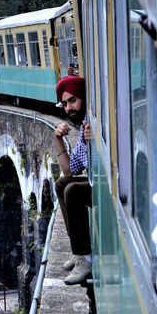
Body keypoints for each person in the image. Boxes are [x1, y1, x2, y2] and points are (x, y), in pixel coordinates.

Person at [53, 75, 92, 285]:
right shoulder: (86, 123)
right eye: (65, 104)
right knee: (62, 184)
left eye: (73, 100)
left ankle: (86, 259)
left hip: (113, 187)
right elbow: (69, 171)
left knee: (73, 191)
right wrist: (57, 138)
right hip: (99, 184)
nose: (69, 108)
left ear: (84, 98)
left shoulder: (92, 124)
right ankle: (78, 253)